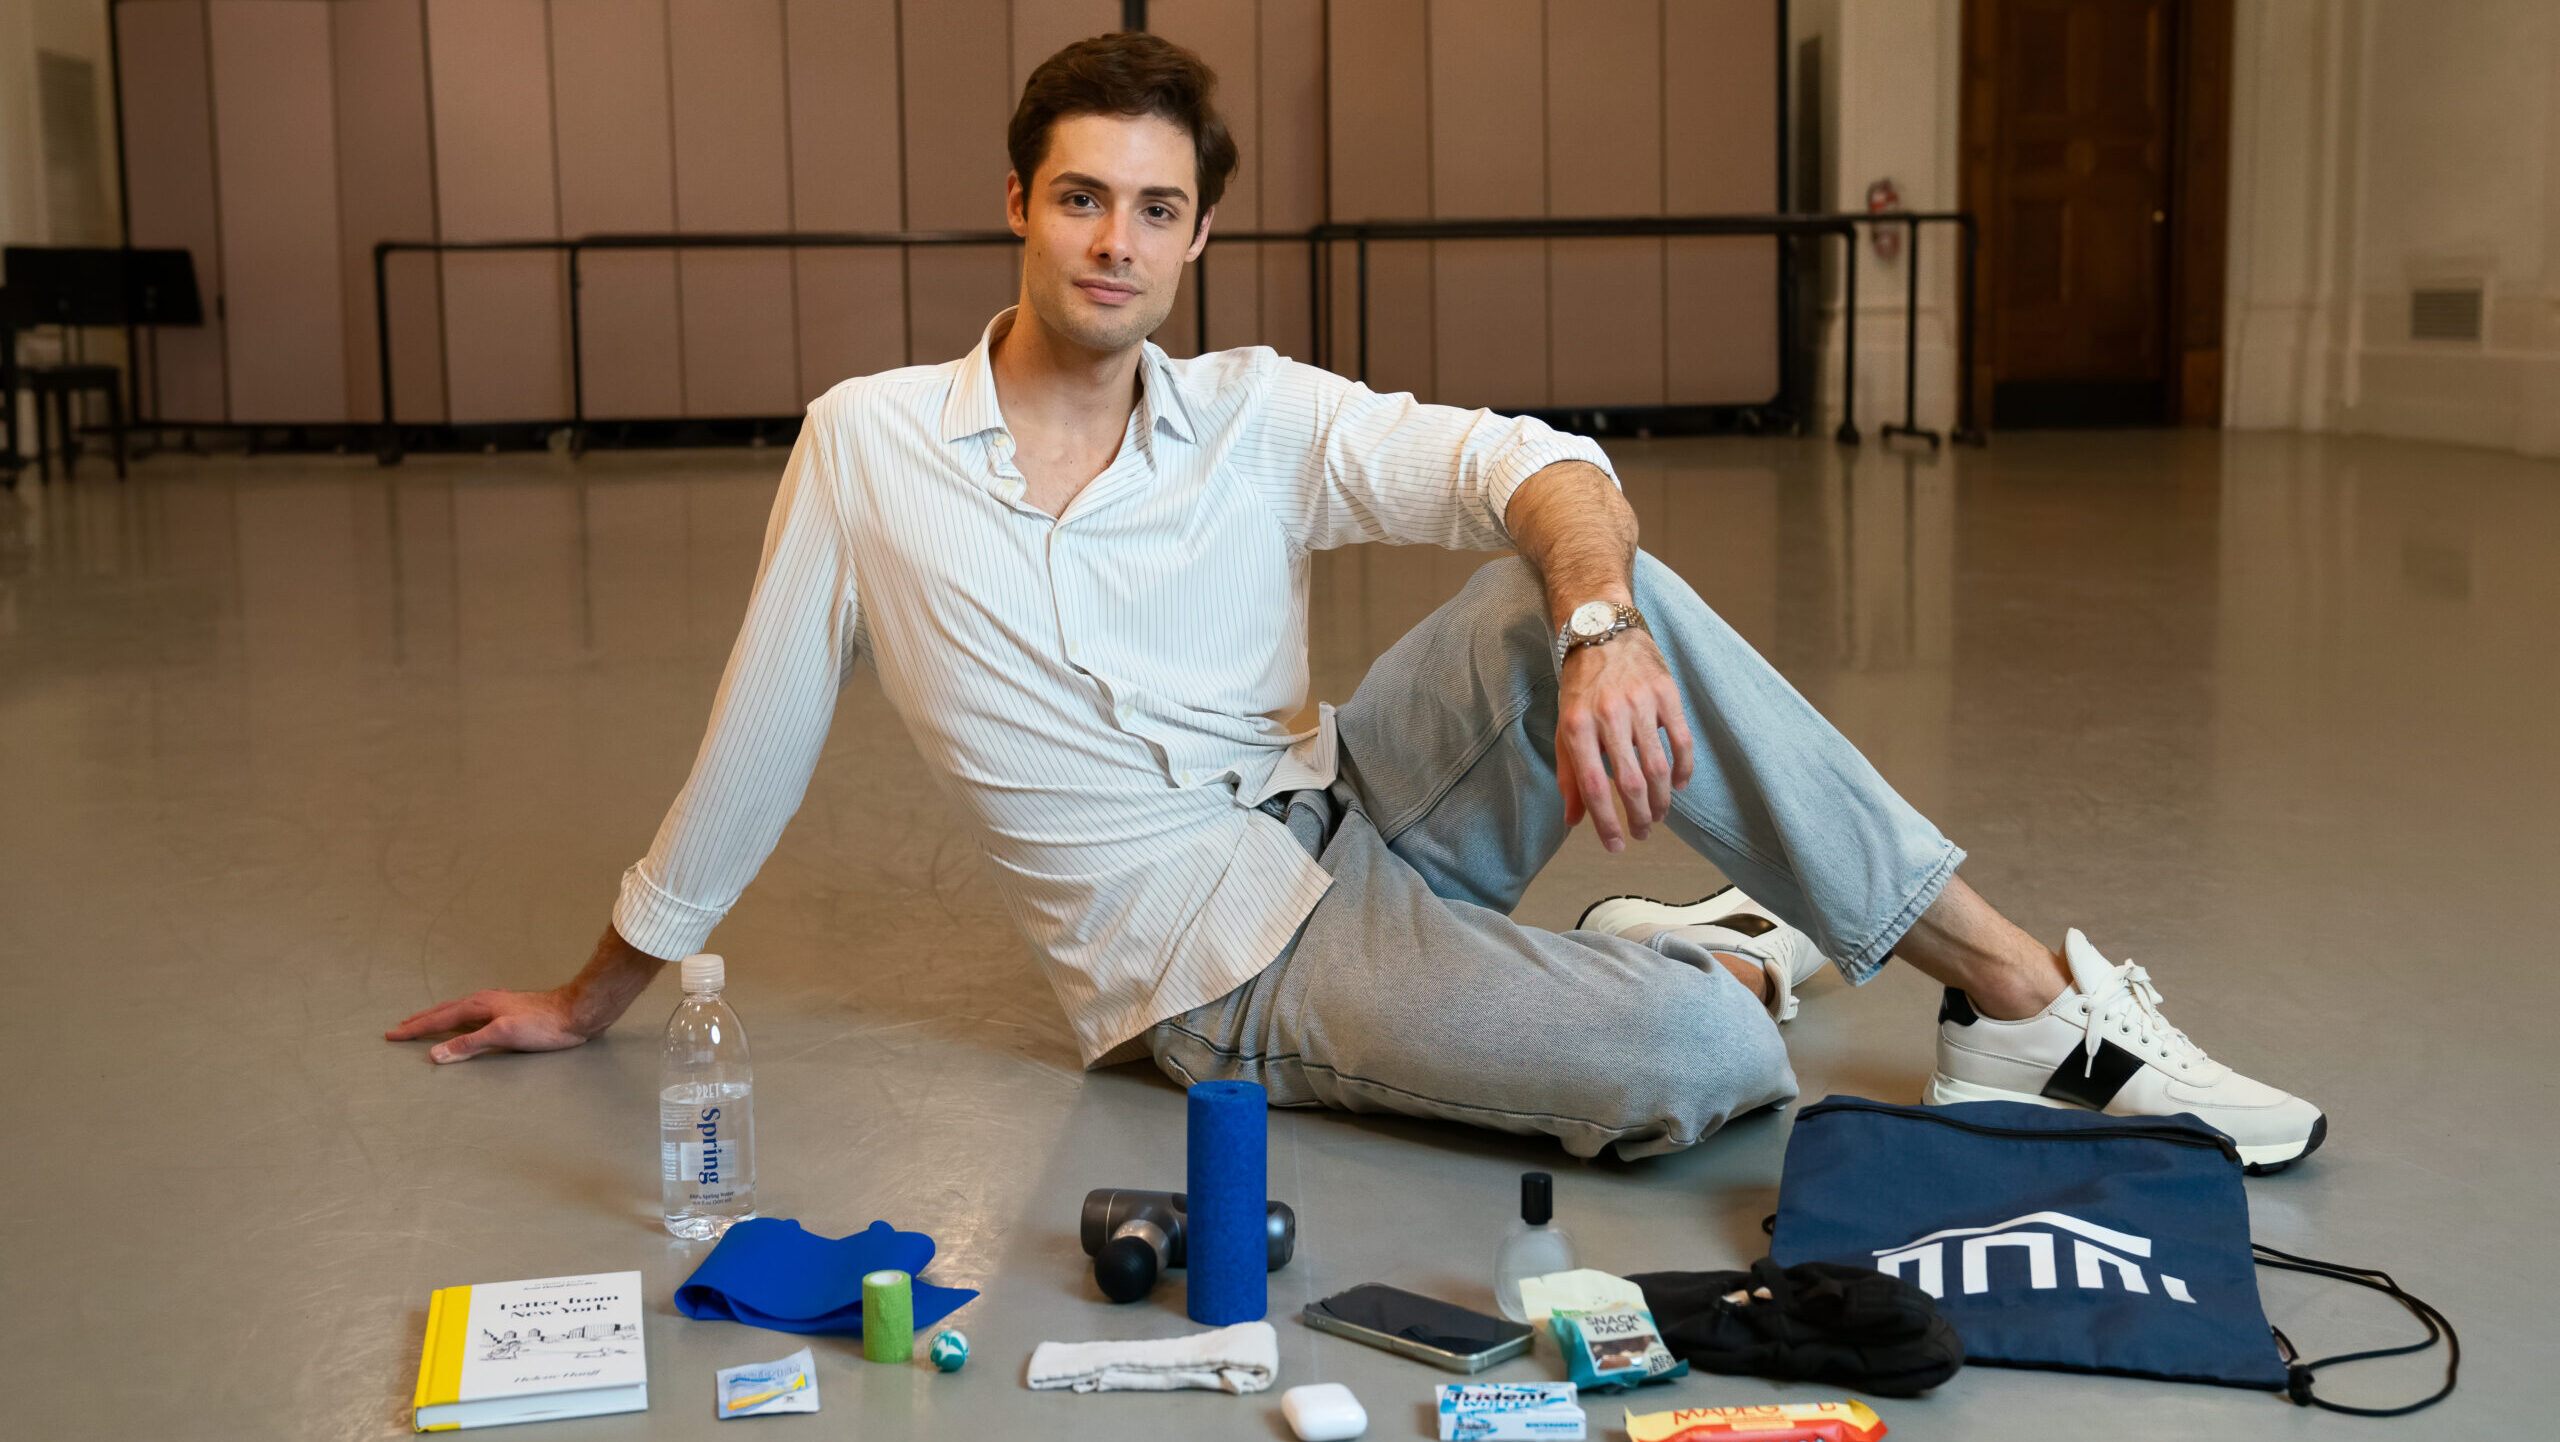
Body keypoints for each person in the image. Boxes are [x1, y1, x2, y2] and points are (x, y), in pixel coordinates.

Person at [387, 33, 2322, 1171]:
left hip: (1355, 804)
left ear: (1199, 233)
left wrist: (1593, 623)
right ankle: (1723, 957)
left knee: (1584, 579)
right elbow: (764, 728)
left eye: (1156, 210)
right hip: (1211, 965)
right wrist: (591, 995)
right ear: (1016, 206)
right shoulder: (869, 445)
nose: (1118, 241)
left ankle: (2016, 996)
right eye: (1082, 198)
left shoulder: (1251, 412)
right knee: (1705, 1067)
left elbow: (1536, 463)